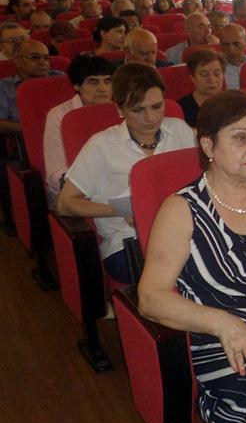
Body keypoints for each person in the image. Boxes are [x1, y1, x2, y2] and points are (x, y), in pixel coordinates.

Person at [137, 89, 246, 423]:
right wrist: (224, 324)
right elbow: (151, 297)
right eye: (240, 138)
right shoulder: (182, 210)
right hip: (227, 343)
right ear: (208, 146)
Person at [56, 63, 195, 284]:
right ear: (120, 109)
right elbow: (65, 204)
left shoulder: (180, 130)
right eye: (138, 110)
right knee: (188, 272)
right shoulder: (101, 145)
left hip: (184, 231)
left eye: (157, 106)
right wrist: (122, 210)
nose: (151, 117)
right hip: (128, 241)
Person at [43, 55, 116, 199]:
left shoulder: (121, 110)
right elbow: (56, 171)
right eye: (93, 82)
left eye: (107, 81)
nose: (103, 88)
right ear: (76, 85)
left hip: (115, 183)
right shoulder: (59, 115)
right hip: (73, 189)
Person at [0, 40, 65, 130]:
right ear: (17, 60)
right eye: (34, 57)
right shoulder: (5, 87)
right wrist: (30, 130)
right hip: (25, 135)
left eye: (46, 58)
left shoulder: (60, 77)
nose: (42, 63)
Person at [178, 48, 225, 127]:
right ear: (192, 78)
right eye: (204, 75)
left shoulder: (234, 102)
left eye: (217, 74)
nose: (212, 80)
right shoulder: (180, 108)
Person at [218, 24, 246, 90]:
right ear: (220, 44)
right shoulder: (214, 69)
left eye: (237, 44)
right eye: (226, 45)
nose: (231, 49)